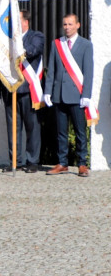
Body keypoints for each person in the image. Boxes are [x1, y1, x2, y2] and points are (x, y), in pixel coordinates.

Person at [44, 13, 93, 177]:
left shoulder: (86, 45)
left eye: (70, 24)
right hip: (59, 94)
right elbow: (51, 70)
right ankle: (62, 163)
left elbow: (88, 72)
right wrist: (47, 91)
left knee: (80, 131)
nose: (67, 27)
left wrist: (86, 94)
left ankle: (82, 163)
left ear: (77, 25)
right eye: (65, 24)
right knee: (61, 132)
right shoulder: (57, 44)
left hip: (77, 94)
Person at [0, 11, 45, 173]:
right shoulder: (6, 40)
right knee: (13, 128)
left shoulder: (36, 36)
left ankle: (32, 161)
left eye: (17, 20)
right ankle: (15, 161)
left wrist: (16, 44)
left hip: (28, 89)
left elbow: (33, 51)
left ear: (25, 22)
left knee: (32, 127)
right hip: (10, 89)